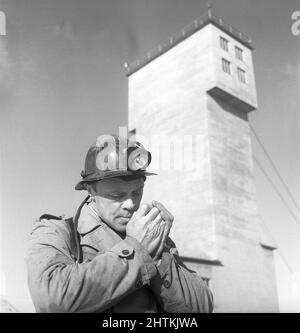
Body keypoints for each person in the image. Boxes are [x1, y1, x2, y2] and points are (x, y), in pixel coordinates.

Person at [26, 134, 213, 313]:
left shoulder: (154, 237)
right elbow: (52, 301)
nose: (131, 204)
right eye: (117, 195)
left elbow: (203, 306)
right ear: (90, 190)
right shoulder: (55, 231)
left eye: (137, 192)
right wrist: (137, 251)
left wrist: (159, 257)